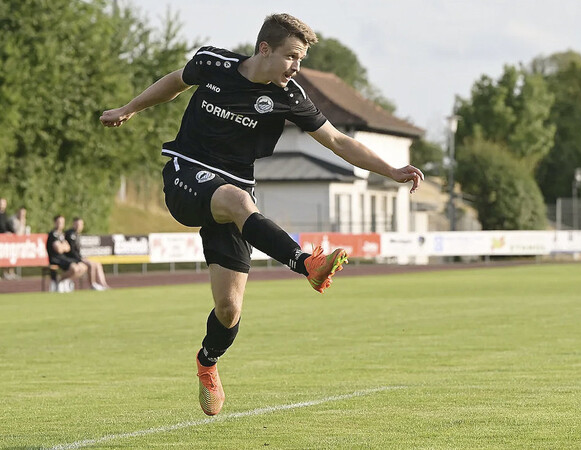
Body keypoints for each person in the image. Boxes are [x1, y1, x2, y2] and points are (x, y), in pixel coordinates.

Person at [100, 13, 423, 416]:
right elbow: (174, 82)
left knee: (229, 308)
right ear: (265, 49)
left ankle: (207, 362)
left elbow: (338, 140)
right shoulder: (212, 63)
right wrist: (129, 108)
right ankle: (308, 265)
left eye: (301, 60)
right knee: (238, 201)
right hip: (186, 174)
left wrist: (391, 170)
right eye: (291, 56)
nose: (296, 67)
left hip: (234, 194)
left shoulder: (289, 95)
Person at [65, 217, 110, 291]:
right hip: (72, 259)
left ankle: (103, 284)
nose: (79, 226)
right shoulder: (71, 234)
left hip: (78, 258)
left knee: (97, 264)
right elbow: (71, 251)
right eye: (77, 224)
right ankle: (92, 284)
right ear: (73, 224)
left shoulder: (77, 234)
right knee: (91, 264)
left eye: (80, 224)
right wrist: (80, 259)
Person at [46, 215, 88, 293]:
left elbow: (67, 248)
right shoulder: (53, 234)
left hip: (64, 258)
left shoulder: (62, 235)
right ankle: (60, 281)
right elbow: (58, 249)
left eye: (62, 222)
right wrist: (63, 247)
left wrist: (62, 247)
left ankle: (67, 281)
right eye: (59, 222)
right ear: (55, 223)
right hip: (56, 259)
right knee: (75, 269)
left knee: (83, 267)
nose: (60, 224)